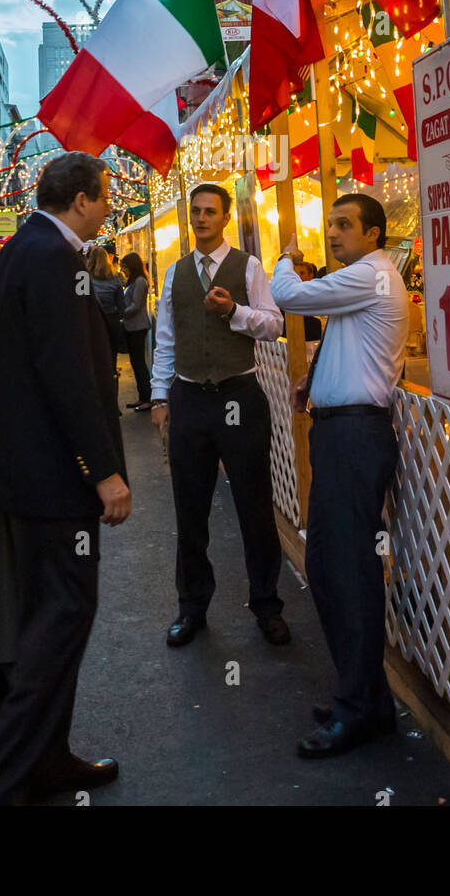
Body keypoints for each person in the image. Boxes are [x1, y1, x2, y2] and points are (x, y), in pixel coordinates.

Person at [0, 152, 129, 807]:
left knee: (32, 621)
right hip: (50, 480)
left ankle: (44, 760)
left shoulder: (21, 247)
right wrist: (104, 471)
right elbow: (65, 372)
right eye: (105, 195)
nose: (110, 205)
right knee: (60, 618)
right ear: (80, 199)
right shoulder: (52, 257)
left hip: (16, 475)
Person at [271, 195, 409, 758]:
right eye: (330, 224)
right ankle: (366, 697)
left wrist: (285, 260)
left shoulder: (372, 274)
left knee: (346, 572)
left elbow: (288, 297)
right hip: (341, 432)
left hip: (355, 436)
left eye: (343, 225)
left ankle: (360, 707)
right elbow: (345, 340)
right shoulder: (363, 279)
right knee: (329, 567)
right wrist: (318, 381)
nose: (332, 233)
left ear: (373, 234)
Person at [151, 183, 290, 648]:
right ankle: (191, 608)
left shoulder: (247, 266)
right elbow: (166, 340)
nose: (202, 218)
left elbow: (274, 324)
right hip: (191, 397)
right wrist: (158, 398)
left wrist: (235, 311)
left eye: (211, 211)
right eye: (196, 212)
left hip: (239, 394)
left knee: (254, 506)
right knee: (190, 511)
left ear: (225, 217)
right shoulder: (174, 274)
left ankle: (267, 605)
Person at [120, 252, 152, 411]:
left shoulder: (139, 281)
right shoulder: (133, 281)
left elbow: (136, 305)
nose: (123, 270)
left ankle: (147, 398)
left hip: (137, 327)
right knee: (136, 363)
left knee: (139, 364)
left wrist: (121, 312)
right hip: (132, 327)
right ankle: (143, 397)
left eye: (125, 266)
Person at [87, 246, 125, 361]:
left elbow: (80, 302)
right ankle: (112, 376)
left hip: (91, 321)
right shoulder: (116, 277)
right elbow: (122, 306)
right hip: (111, 320)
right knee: (112, 356)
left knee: (93, 357)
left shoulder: (83, 276)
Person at [283, 261, 322, 343]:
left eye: (302, 273)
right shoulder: (288, 297)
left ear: (311, 275)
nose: (298, 277)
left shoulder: (318, 294)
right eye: (296, 274)